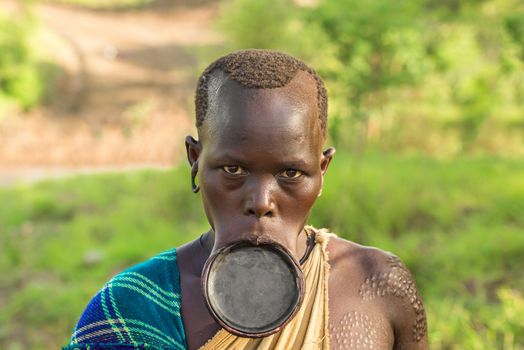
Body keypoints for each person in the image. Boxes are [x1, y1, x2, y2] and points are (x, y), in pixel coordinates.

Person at [63, 49, 428, 350]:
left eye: (290, 173)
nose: (261, 201)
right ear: (195, 160)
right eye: (233, 170)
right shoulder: (136, 308)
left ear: (322, 171)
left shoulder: (377, 285)